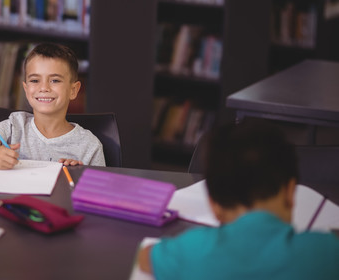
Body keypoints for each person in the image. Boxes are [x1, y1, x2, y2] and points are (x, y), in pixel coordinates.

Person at [138, 118, 339, 279]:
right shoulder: (326, 253)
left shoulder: (191, 250)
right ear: (290, 192)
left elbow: (145, 256)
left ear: (214, 206)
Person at [0, 43, 105, 169]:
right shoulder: (15, 126)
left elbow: (99, 192)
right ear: (26, 89)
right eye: (35, 80)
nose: (44, 88)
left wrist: (78, 173)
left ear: (73, 90)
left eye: (55, 80)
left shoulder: (90, 146)